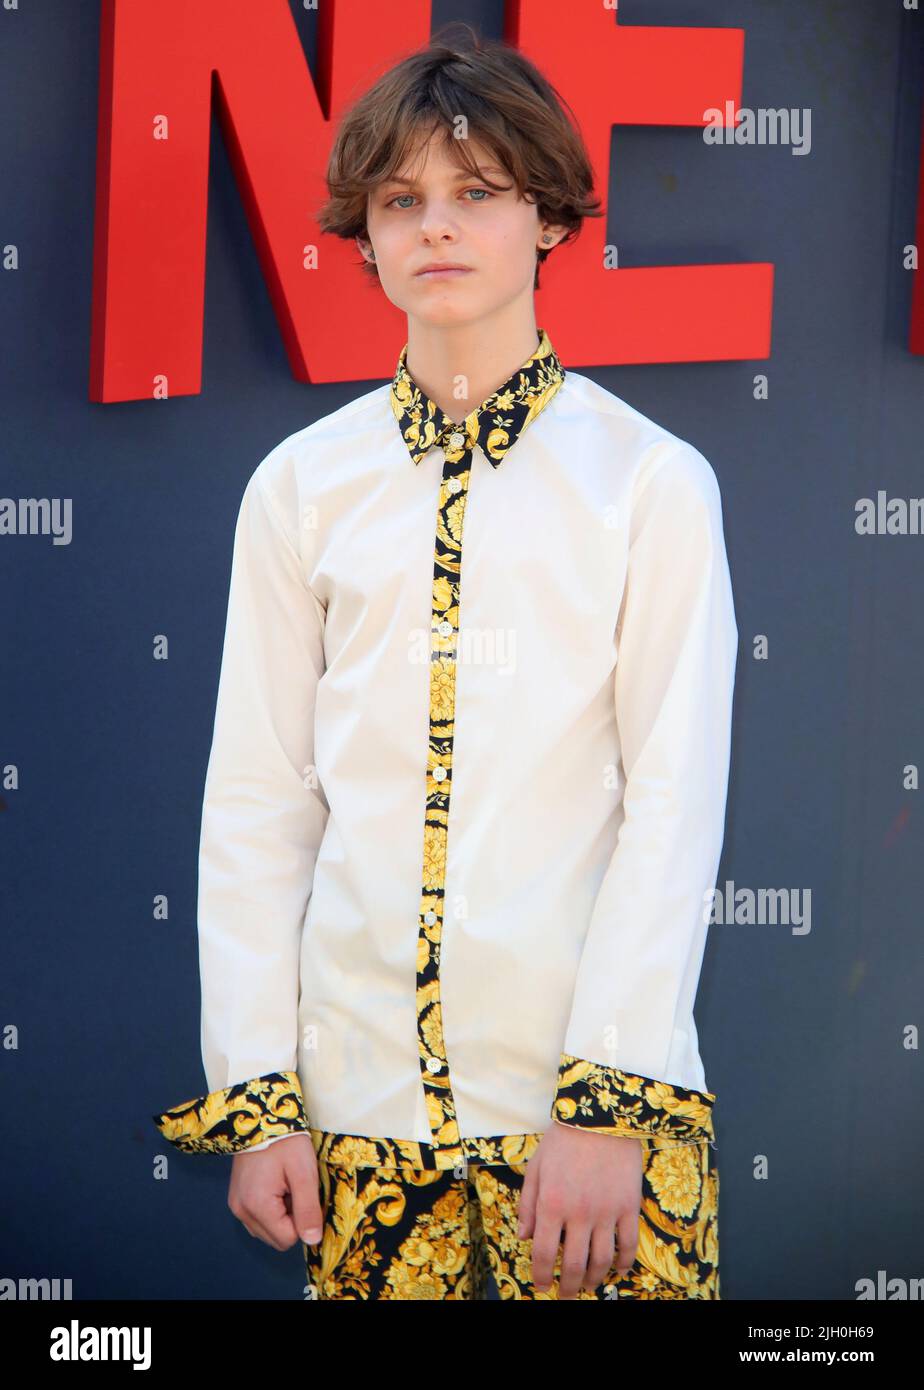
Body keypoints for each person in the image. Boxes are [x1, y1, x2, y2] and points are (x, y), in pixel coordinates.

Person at [152, 21, 738, 1302]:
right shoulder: (301, 487)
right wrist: (259, 1095)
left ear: (550, 218)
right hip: (357, 1119)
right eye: (403, 199)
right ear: (362, 233)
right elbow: (258, 803)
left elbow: (674, 804)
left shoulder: (649, 484)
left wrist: (609, 1098)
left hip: (588, 1124)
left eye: (478, 193)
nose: (438, 226)